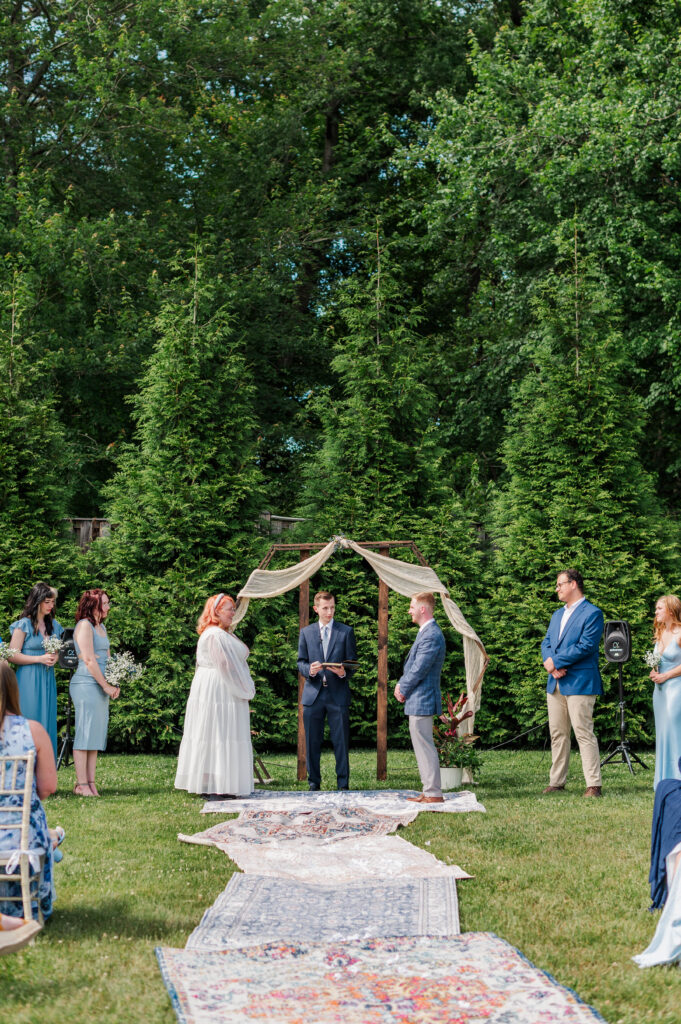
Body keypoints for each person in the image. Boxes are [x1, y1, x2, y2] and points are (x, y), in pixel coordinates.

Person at [175, 594, 255, 796]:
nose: (233, 613)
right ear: (217, 611)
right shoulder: (214, 635)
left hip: (220, 687)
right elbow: (225, 665)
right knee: (216, 732)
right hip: (217, 688)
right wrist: (243, 688)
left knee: (222, 731)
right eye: (229, 609)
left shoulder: (222, 633)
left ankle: (223, 783)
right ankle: (212, 786)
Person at [0, 661, 56, 924]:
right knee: (38, 823)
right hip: (19, 839)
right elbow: (47, 787)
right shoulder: (33, 731)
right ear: (13, 690)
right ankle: (54, 839)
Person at [541, 568, 604, 797]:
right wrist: (551, 664)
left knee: (583, 732)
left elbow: (587, 646)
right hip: (555, 682)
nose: (557, 589)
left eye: (560, 584)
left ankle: (593, 785)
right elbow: (546, 641)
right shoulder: (557, 614)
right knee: (558, 733)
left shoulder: (593, 613)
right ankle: (557, 781)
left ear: (574, 584)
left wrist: (555, 661)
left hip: (581, 681)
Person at [297, 591, 357, 791]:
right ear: (316, 609)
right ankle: (314, 784)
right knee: (312, 743)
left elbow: (352, 663)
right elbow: (301, 662)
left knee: (341, 742)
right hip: (313, 695)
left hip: (337, 694)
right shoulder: (306, 633)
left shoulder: (346, 632)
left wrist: (343, 672)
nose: (330, 611)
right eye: (325, 608)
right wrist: (309, 670)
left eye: (332, 607)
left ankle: (343, 785)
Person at [394, 591, 446, 804]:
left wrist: (402, 687)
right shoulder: (427, 632)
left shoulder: (431, 634)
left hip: (422, 698)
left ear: (422, 609)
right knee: (422, 746)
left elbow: (419, 668)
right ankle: (429, 790)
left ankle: (433, 793)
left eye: (412, 606)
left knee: (425, 746)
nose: (409, 610)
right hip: (419, 698)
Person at [70, 589, 119, 796]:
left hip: (100, 683)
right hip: (86, 684)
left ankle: (90, 782)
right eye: (105, 603)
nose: (108, 607)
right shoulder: (85, 626)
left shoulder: (102, 627)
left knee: (95, 734)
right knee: (85, 732)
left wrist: (116, 677)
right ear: (93, 605)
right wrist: (105, 686)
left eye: (108, 603)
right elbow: (89, 660)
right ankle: (81, 784)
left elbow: (107, 657)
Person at [8, 583, 64, 761]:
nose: (51, 605)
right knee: (29, 719)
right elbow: (12, 655)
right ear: (37, 601)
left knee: (47, 721)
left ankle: (44, 775)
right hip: (28, 679)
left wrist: (54, 657)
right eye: (47, 601)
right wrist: (38, 659)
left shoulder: (54, 626)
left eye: (53, 602)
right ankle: (22, 772)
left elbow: (57, 651)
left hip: (47, 679)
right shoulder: (23, 625)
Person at [649, 595, 681, 788]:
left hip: (675, 690)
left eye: (659, 609)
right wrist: (654, 672)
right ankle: (663, 779)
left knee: (674, 732)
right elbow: (658, 661)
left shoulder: (680, 634)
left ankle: (677, 777)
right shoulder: (660, 632)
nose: (656, 612)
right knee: (662, 733)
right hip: (659, 691)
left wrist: (666, 676)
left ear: (670, 610)